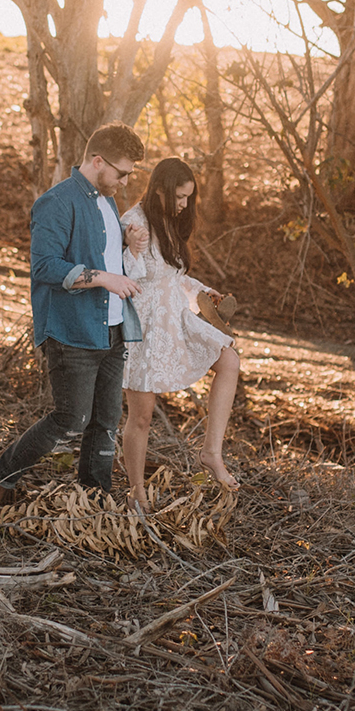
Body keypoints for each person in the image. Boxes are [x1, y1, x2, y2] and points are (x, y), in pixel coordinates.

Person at [0, 123, 148, 508]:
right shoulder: (57, 201)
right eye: (121, 173)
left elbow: (100, 246)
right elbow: (46, 267)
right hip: (72, 331)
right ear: (97, 161)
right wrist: (104, 278)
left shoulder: (107, 200)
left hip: (113, 329)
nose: (125, 181)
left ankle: (95, 502)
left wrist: (126, 242)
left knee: (105, 422)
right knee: (71, 418)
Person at [117, 156, 244, 498]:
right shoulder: (134, 222)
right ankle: (137, 491)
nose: (184, 204)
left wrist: (201, 291)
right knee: (141, 416)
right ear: (160, 189)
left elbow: (173, 276)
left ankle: (211, 454)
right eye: (179, 197)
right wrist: (130, 248)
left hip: (176, 317)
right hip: (145, 327)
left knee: (229, 360)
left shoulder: (169, 222)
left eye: (189, 197)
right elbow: (125, 278)